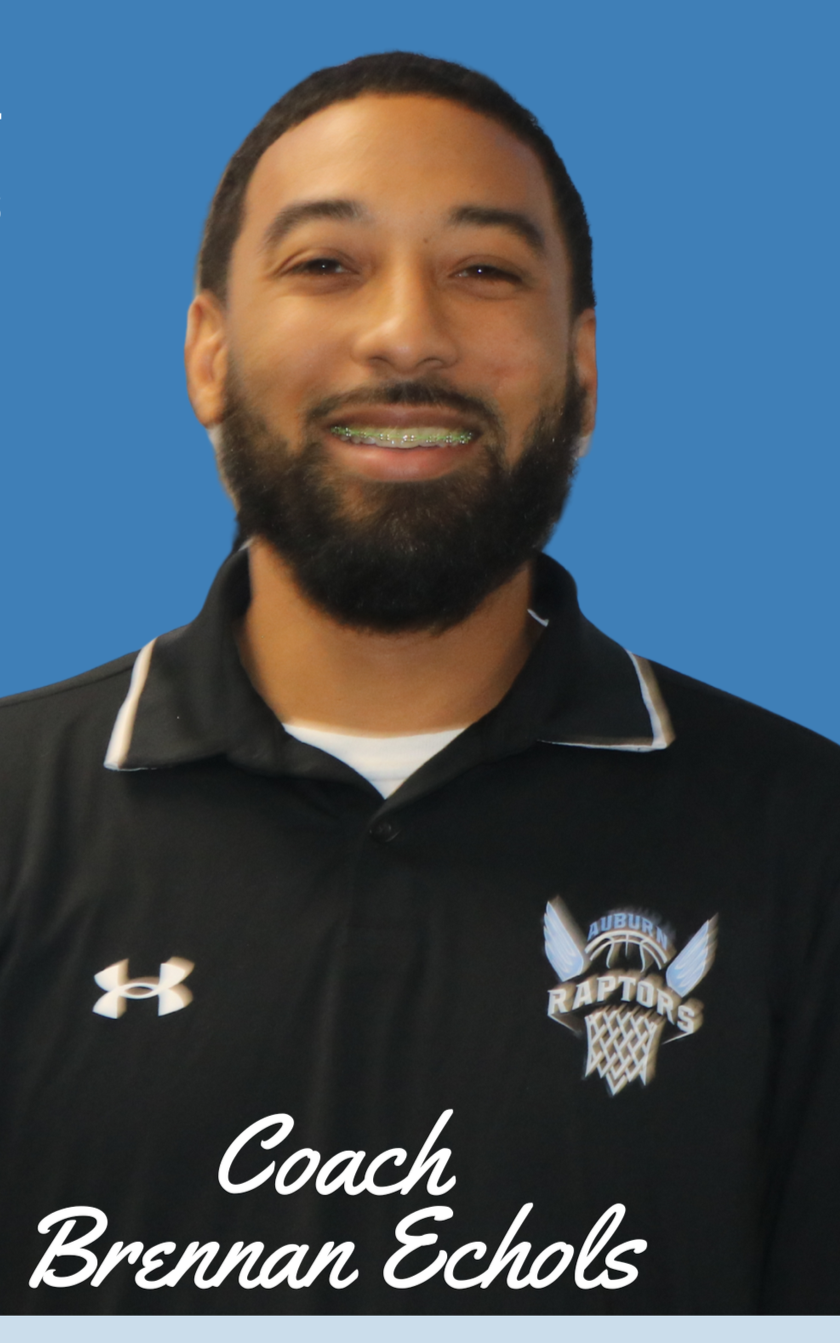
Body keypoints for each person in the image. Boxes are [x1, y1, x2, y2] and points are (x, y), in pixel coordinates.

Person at [0, 51, 838, 1316]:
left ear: (584, 366)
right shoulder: (14, 811)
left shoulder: (807, 836)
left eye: (485, 271)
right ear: (208, 351)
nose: (407, 333)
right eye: (325, 264)